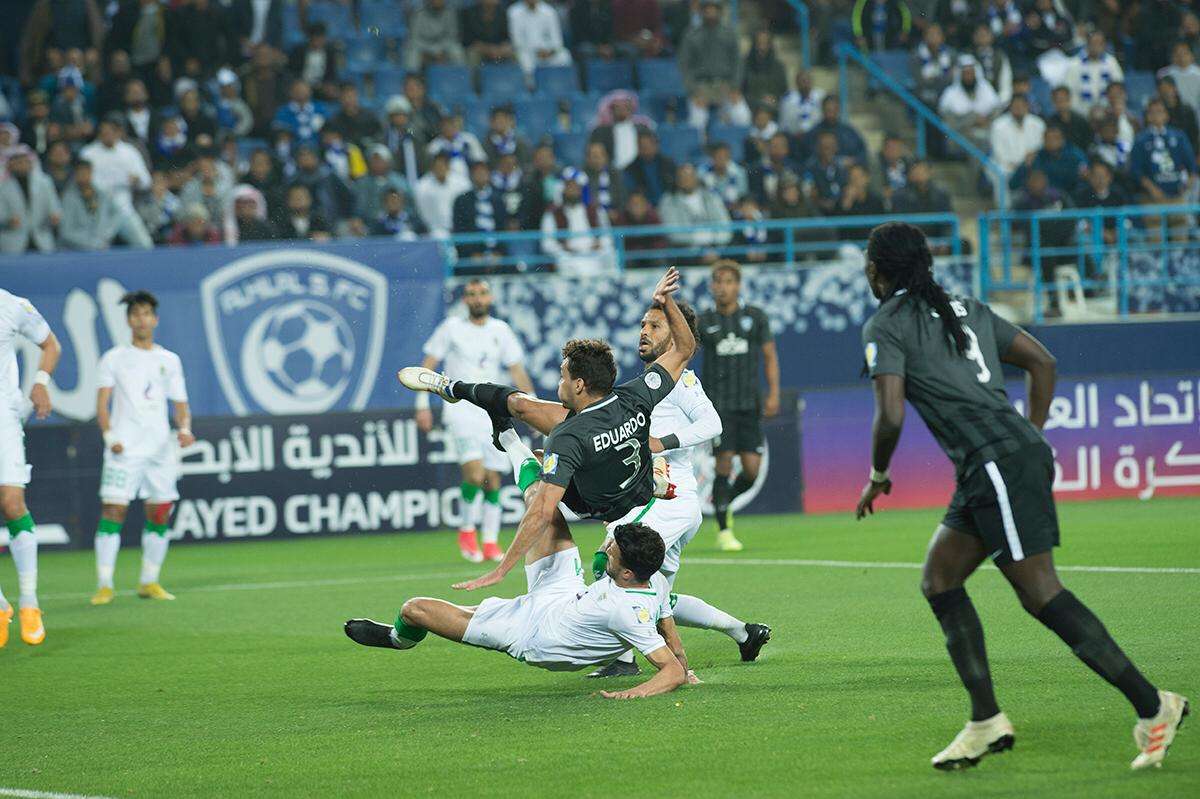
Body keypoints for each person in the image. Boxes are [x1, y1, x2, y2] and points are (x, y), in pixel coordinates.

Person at [854, 220, 1189, 771]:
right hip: (989, 464)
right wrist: (1030, 430)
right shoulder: (966, 307)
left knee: (1039, 593)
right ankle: (986, 721)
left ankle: (1155, 706)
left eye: (870, 263)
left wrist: (878, 471)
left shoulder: (886, 324)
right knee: (940, 579)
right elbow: (1043, 361)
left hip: (995, 461)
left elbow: (889, 412)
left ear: (878, 269)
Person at [590, 298, 770, 678]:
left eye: (655, 326)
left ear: (676, 338)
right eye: (643, 324)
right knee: (658, 598)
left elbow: (712, 424)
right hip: (665, 499)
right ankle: (744, 633)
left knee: (611, 558)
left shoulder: (680, 379)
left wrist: (660, 443)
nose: (644, 331)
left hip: (668, 497)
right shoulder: (653, 380)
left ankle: (631, 662)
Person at [345, 516, 692, 698]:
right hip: (564, 597)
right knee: (545, 509)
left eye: (612, 551)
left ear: (628, 572)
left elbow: (670, 670)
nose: (605, 550)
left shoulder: (624, 610)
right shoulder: (654, 581)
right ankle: (509, 436)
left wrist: (635, 693)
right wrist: (685, 664)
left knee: (413, 610)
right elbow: (674, 649)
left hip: (533, 634)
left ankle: (396, 639)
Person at [416, 280, 534, 563]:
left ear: (490, 297)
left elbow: (517, 371)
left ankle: (491, 541)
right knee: (474, 474)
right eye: (471, 295)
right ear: (465, 300)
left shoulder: (500, 331)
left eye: (482, 293)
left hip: (491, 412)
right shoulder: (451, 328)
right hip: (460, 411)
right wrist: (422, 404)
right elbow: (427, 367)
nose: (477, 299)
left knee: (493, 479)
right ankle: (467, 531)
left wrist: (532, 408)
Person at [90, 291, 192, 606]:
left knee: (160, 513)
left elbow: (180, 404)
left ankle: (149, 581)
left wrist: (185, 429)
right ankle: (105, 584)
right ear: (128, 320)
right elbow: (102, 404)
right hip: (125, 448)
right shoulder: (114, 358)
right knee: (114, 511)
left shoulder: (169, 360)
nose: (141, 319)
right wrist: (110, 438)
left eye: (147, 313)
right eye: (136, 314)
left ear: (155, 319)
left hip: (160, 450)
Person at [696, 261, 779, 552]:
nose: (723, 287)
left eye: (729, 281)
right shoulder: (704, 322)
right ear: (711, 287)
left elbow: (769, 356)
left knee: (752, 470)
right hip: (719, 407)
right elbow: (685, 352)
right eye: (717, 282)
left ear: (738, 285)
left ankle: (724, 502)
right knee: (724, 463)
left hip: (749, 404)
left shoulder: (754, 318)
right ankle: (724, 530)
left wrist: (773, 394)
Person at [0, 289, 60, 648]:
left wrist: (40, 384)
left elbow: (51, 345)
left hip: (3, 418)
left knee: (11, 502)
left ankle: (29, 603)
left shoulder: (13, 305)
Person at [678, 0, 750, 130]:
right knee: (697, 121)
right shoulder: (691, 35)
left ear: (720, 11)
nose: (710, 13)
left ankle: (739, 148)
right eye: (707, 9)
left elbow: (738, 63)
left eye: (713, 9)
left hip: (726, 85)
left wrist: (735, 87)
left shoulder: (729, 33)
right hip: (701, 86)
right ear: (701, 12)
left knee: (742, 116)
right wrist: (694, 91)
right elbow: (684, 66)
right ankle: (700, 149)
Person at [1130, 98, 1196, 239]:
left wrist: (1186, 187)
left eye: (1160, 112)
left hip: (1176, 196)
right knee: (1156, 241)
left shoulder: (1178, 137)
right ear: (1147, 116)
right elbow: (1136, 171)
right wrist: (1152, 189)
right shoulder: (1141, 140)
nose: (1156, 116)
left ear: (1166, 115)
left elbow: (1192, 167)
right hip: (1151, 199)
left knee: (1180, 238)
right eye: (1152, 112)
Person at [540, 170, 615, 276]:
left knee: (611, 255)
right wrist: (562, 249)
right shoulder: (552, 213)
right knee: (564, 264)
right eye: (569, 187)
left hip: (594, 254)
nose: (573, 191)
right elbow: (547, 243)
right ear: (562, 189)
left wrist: (600, 244)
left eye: (576, 188)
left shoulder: (595, 210)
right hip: (568, 256)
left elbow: (607, 235)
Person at [659, 163, 731, 262]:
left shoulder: (711, 197)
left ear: (696, 177)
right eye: (682, 177)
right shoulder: (669, 201)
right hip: (686, 252)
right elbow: (673, 234)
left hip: (715, 247)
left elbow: (725, 225)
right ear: (677, 180)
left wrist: (716, 248)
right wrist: (700, 244)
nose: (686, 180)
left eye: (689, 176)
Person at [0, 147, 61, 254]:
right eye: (17, 162)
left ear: (31, 163)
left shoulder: (45, 183)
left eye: (24, 161)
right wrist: (7, 221)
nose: (21, 165)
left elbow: (55, 209)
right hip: (13, 243)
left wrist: (53, 217)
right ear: (10, 165)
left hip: (42, 240)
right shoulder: (3, 187)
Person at [452, 160, 511, 261]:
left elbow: (503, 227)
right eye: (477, 172)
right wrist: (471, 254)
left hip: (497, 254)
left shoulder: (499, 199)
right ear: (471, 175)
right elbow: (460, 229)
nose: (480, 175)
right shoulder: (462, 200)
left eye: (483, 172)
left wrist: (499, 252)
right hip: (472, 255)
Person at [1062, 30, 1123, 116]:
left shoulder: (1111, 62)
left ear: (1104, 45)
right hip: (1082, 113)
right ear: (1087, 44)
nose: (1096, 46)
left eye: (1100, 43)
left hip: (1108, 112)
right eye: (1093, 43)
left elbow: (1118, 88)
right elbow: (1069, 92)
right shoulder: (1074, 64)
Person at [508, 0, 573, 79]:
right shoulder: (514, 12)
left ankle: (560, 85)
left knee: (564, 56)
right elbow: (517, 41)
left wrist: (550, 51)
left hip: (548, 52)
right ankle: (530, 90)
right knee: (525, 61)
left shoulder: (549, 11)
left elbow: (557, 40)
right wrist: (536, 51)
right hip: (528, 52)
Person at [414, 151, 471, 238]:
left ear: (448, 166)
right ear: (432, 167)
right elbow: (423, 213)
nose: (440, 169)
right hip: (435, 232)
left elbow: (467, 209)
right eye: (437, 166)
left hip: (459, 229)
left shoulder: (462, 184)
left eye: (443, 165)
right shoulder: (422, 187)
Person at [989, 93, 1045, 182]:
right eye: (1015, 106)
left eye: (1021, 106)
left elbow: (1041, 147)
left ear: (1027, 106)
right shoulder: (998, 125)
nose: (1018, 109)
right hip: (1006, 167)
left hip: (1031, 167)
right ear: (1010, 107)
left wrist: (1032, 158)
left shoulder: (1038, 124)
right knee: (1000, 172)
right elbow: (998, 153)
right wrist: (1017, 165)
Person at [407, 0, 467, 71]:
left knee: (457, 51)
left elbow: (452, 36)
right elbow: (414, 38)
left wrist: (439, 51)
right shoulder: (419, 13)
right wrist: (429, 52)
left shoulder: (449, 13)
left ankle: (458, 79)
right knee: (412, 53)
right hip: (423, 46)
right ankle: (413, 78)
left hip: (443, 45)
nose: (437, 1)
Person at [623, 130, 676, 206]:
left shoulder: (669, 164)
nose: (645, 149)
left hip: (669, 205)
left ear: (656, 145)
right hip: (644, 209)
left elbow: (675, 188)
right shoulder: (630, 170)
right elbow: (632, 193)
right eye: (642, 146)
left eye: (648, 145)